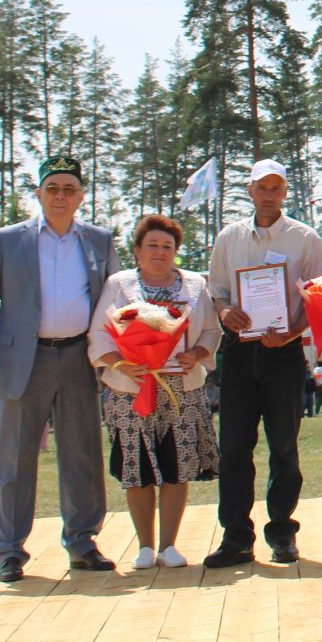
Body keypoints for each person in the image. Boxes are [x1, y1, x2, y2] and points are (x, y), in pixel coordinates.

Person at [0, 153, 114, 582]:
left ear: (81, 196)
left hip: (78, 359)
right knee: (15, 458)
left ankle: (82, 541)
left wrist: (119, 360)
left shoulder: (99, 240)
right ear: (39, 193)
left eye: (70, 189)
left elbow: (113, 305)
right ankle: (10, 550)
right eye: (53, 188)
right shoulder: (10, 239)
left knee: (82, 454)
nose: (61, 196)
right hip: (23, 360)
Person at [203, 158, 322, 569]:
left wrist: (293, 332)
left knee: (284, 446)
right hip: (239, 352)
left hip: (284, 354)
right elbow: (217, 291)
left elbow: (321, 297)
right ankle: (236, 537)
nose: (270, 194)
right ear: (250, 190)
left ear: (286, 191)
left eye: (277, 187)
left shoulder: (304, 238)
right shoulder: (228, 238)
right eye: (263, 187)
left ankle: (282, 533)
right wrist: (224, 313)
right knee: (234, 448)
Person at [88, 214, 221, 569]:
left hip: (181, 389)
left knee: (177, 465)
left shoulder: (194, 285)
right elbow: (99, 333)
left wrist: (196, 354)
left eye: (168, 246)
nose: (160, 252)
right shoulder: (118, 284)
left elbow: (211, 331)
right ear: (137, 250)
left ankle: (169, 545)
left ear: (176, 251)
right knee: (139, 466)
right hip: (132, 390)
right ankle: (145, 546)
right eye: (153, 245)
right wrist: (120, 364)